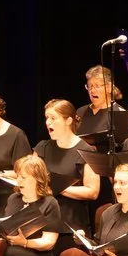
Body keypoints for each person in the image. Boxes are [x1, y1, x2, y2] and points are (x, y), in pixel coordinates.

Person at [36, 99, 104, 234]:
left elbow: (93, 191)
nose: (48, 122)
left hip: (70, 226)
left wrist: (57, 188)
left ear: (68, 121)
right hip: (40, 223)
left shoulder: (86, 151)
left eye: (53, 118)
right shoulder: (42, 148)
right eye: (47, 118)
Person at [75, 67, 128, 146]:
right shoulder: (80, 112)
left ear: (109, 87)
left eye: (97, 86)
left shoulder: (119, 113)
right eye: (89, 86)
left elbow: (124, 147)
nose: (92, 90)